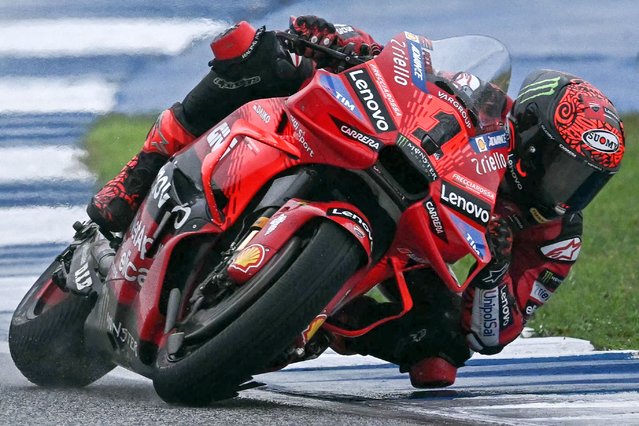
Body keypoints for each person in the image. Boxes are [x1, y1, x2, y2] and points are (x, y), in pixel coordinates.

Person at [86, 16, 626, 388]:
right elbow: (406, 71)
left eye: (587, 181)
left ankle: (312, 319)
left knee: (439, 359)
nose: (569, 190)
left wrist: (495, 268)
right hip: (382, 157)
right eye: (565, 168)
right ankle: (137, 177)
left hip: (420, 250)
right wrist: (341, 40)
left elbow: (492, 334)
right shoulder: (485, 102)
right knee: (258, 57)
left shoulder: (558, 239)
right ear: (528, 132)